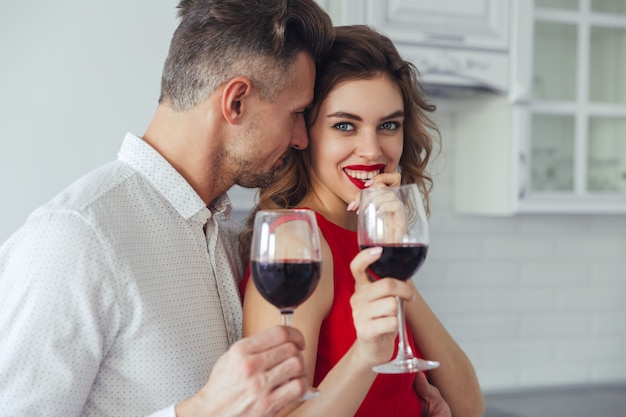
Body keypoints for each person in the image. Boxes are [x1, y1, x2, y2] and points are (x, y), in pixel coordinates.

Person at [0, 1, 335, 416]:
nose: (303, 138)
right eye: (298, 113)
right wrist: (199, 411)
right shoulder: (75, 238)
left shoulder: (229, 236)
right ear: (236, 102)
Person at [239, 25, 485, 417]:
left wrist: (392, 254)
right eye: (344, 125)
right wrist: (367, 353)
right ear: (305, 134)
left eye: (389, 125)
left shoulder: (369, 244)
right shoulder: (295, 242)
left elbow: (469, 405)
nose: (372, 150)